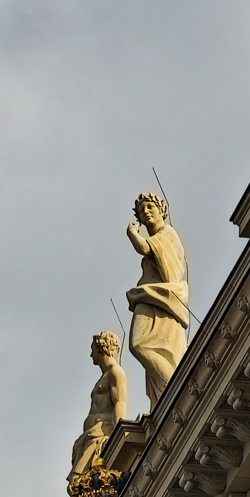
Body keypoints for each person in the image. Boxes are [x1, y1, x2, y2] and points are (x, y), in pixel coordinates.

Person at [125, 194, 189, 406]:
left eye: (150, 207)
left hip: (162, 298)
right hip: (152, 298)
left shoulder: (167, 234)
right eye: (141, 211)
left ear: (162, 210)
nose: (146, 212)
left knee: (139, 344)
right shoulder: (158, 238)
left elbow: (144, 248)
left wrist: (132, 233)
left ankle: (173, 390)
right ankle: (166, 396)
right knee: (145, 347)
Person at [70, 331, 128, 480]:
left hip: (101, 434)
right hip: (89, 436)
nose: (91, 355)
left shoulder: (116, 372)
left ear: (101, 348)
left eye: (93, 349)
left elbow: (120, 403)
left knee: (77, 481)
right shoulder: (104, 376)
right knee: (79, 484)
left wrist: (117, 438)